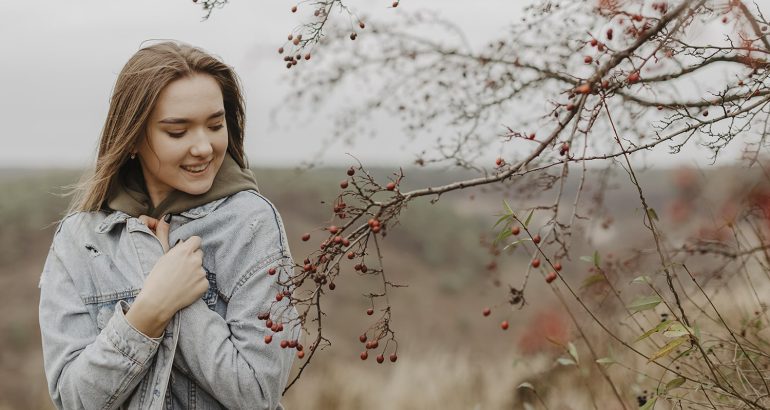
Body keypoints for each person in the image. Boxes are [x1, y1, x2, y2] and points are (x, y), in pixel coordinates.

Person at [37, 40, 299, 409]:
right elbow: (73, 399)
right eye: (178, 132)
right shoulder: (81, 240)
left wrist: (182, 305)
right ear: (132, 138)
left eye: (215, 125)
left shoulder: (251, 224)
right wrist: (150, 310)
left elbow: (257, 391)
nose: (204, 147)